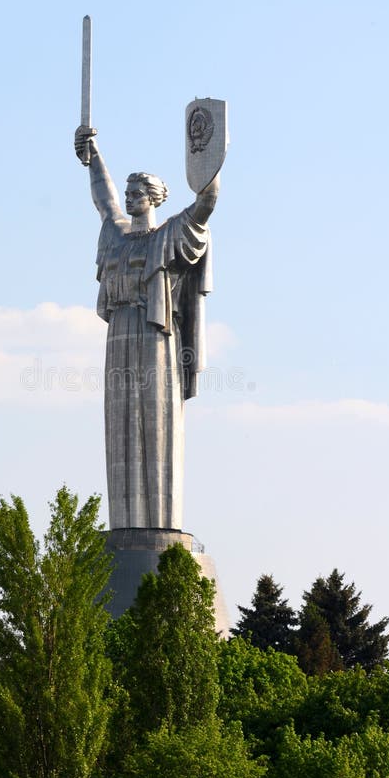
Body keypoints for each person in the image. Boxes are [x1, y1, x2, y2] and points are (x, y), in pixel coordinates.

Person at [75, 126, 219, 530]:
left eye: (137, 192)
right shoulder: (116, 235)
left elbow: (206, 202)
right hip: (118, 334)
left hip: (156, 335)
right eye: (129, 192)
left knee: (156, 422)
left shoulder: (168, 235)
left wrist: (207, 160)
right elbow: (103, 200)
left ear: (154, 198)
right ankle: (124, 527)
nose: (130, 197)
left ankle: (160, 526)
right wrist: (92, 154)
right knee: (120, 423)